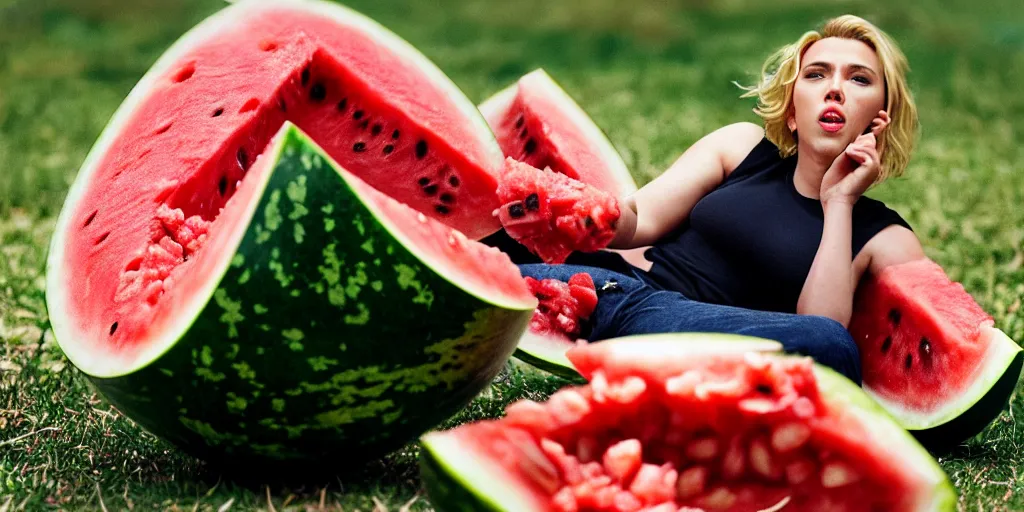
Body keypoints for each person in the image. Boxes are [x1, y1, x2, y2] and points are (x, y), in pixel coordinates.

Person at [495, 15, 926, 385]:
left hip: (692, 328)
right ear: (793, 112)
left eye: (859, 79)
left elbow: (820, 328)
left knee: (829, 345)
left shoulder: (882, 237)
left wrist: (840, 202)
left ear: (880, 120)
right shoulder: (741, 147)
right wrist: (582, 212)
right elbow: (639, 221)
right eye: (816, 75)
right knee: (483, 237)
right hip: (612, 283)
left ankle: (589, 323)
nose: (835, 89)